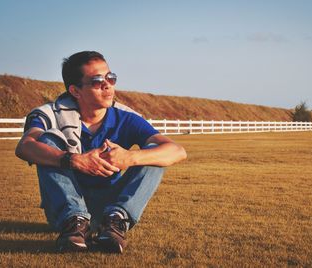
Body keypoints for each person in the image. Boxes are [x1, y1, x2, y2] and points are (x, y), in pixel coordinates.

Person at [15, 51, 187, 253]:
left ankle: (115, 221)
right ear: (76, 91)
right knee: (47, 139)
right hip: (64, 210)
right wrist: (74, 160)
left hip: (108, 209)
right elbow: (25, 146)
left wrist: (130, 157)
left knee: (154, 152)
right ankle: (74, 223)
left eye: (110, 78)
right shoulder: (49, 113)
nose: (108, 85)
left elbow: (177, 150)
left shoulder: (125, 116)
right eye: (97, 81)